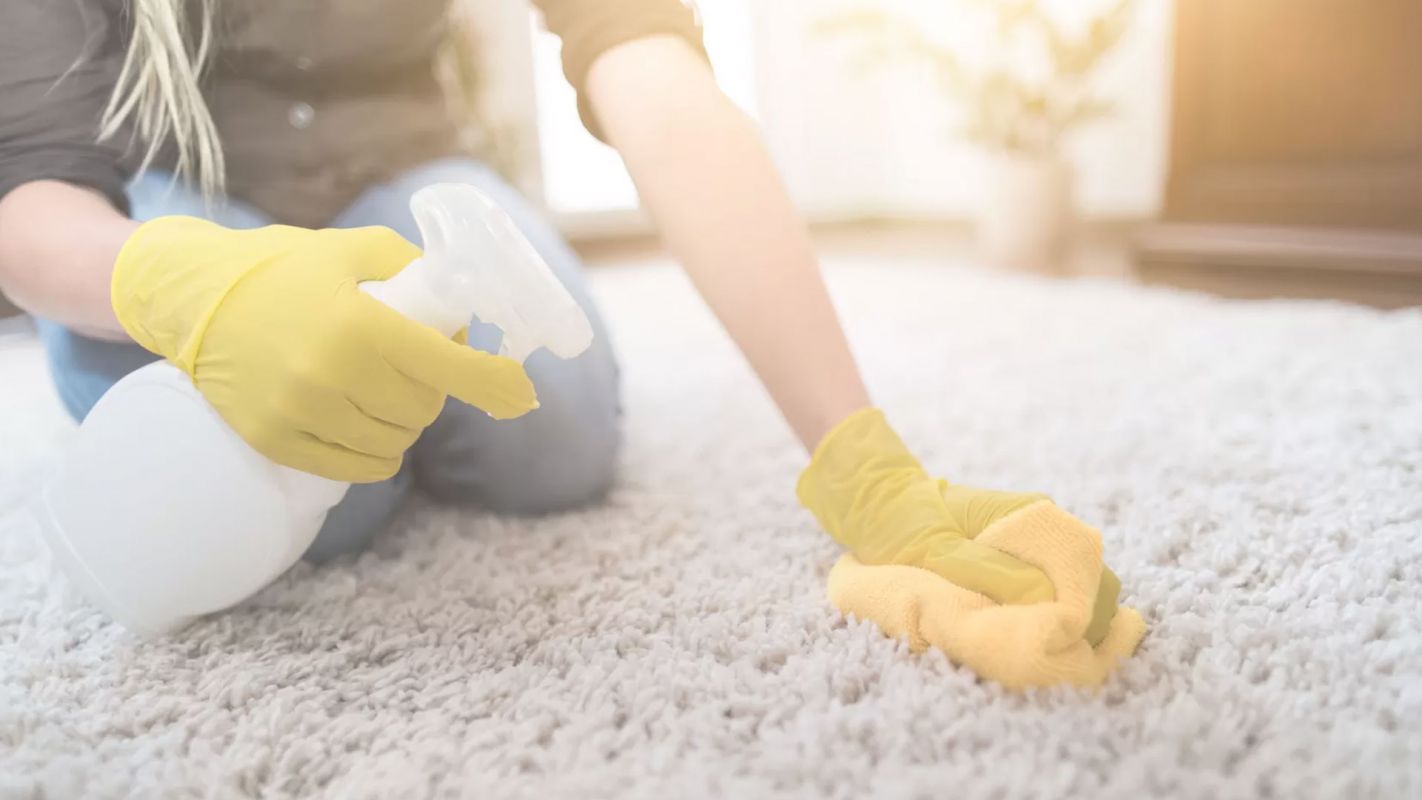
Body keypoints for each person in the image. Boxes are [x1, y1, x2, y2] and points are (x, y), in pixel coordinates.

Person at [0, 1, 1119, 640]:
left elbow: (665, 96)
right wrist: (188, 286)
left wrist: (862, 459)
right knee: (316, 500)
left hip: (401, 163)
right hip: (177, 188)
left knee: (554, 437)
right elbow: (31, 190)